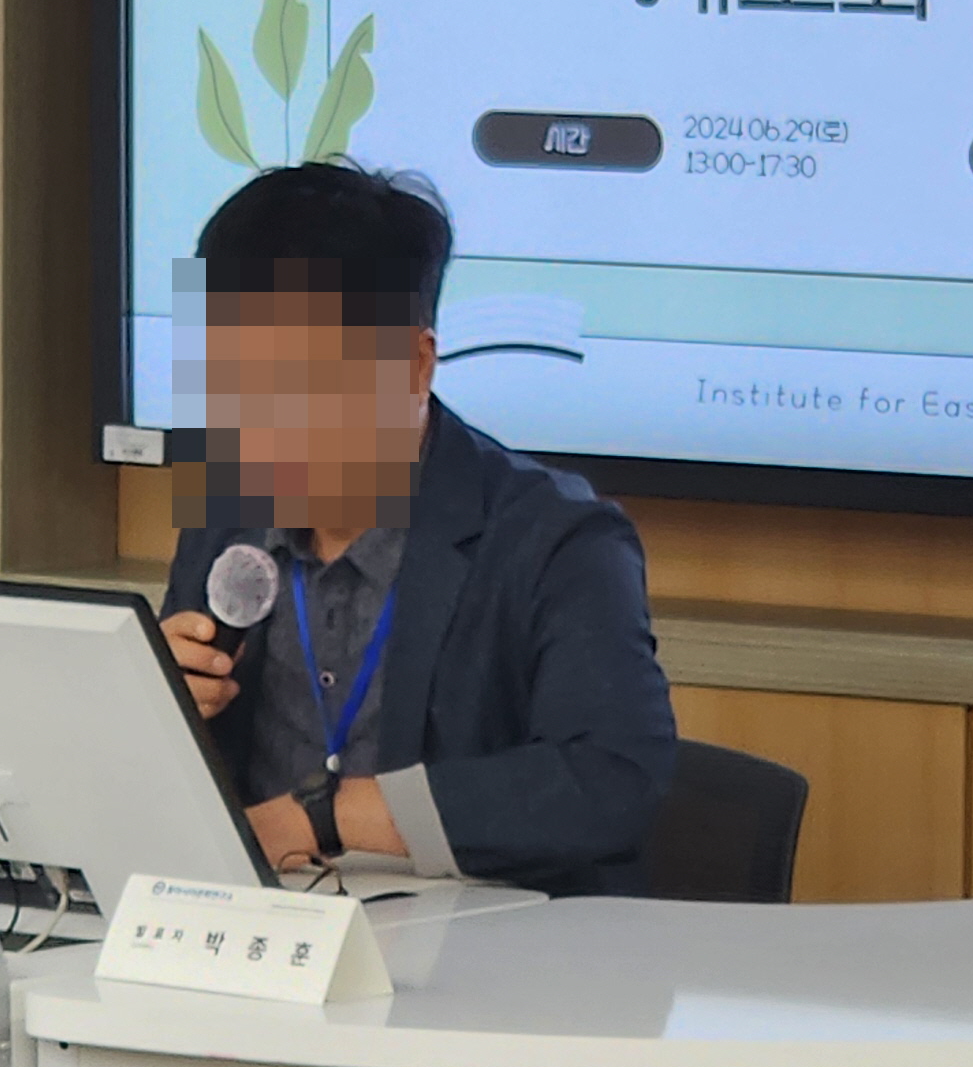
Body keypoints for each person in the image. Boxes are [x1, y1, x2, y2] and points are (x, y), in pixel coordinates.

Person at [157, 160, 676, 894]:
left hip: (479, 944)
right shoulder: (225, 520)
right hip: (263, 934)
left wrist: (327, 816)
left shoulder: (554, 540)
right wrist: (165, 712)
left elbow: (609, 778)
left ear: (413, 365)